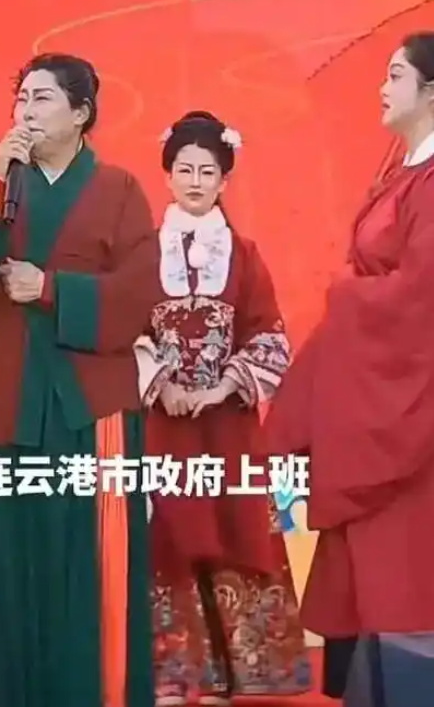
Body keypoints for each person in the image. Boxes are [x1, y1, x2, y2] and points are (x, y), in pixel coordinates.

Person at [0, 52, 162, 707]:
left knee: (85, 573)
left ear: (81, 114)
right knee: (8, 571)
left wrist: (50, 289)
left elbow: (139, 296)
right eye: (21, 98)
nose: (26, 112)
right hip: (5, 407)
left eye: (41, 99)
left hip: (87, 412)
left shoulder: (119, 189)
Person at [263, 32, 434, 698]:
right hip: (375, 393)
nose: (382, 88)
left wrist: (347, 293)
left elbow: (420, 296)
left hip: (407, 405)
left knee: (405, 582)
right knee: (373, 588)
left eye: (396, 75)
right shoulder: (403, 170)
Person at [147, 112, 311, 706]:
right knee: (170, 532)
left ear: (224, 180)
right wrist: (162, 383)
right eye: (185, 169)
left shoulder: (244, 254)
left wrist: (220, 389)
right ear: (167, 175)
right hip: (163, 422)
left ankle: (239, 672)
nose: (195, 181)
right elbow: (127, 330)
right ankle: (175, 673)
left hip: (228, 423)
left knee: (232, 527)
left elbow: (269, 334)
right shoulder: (143, 252)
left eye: (207, 172)